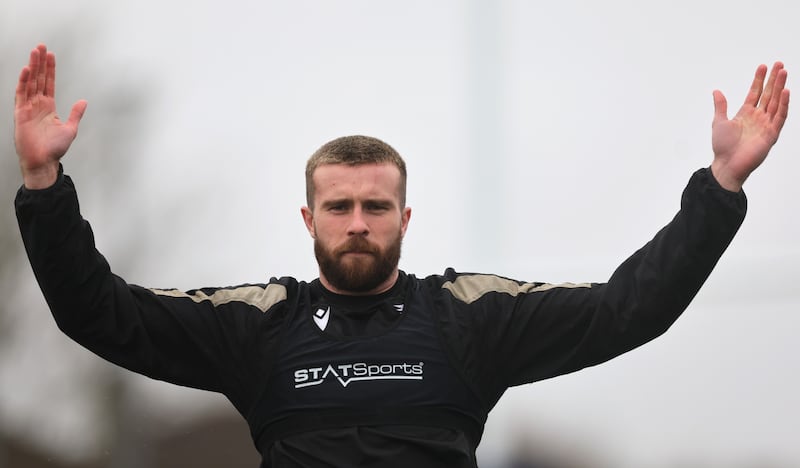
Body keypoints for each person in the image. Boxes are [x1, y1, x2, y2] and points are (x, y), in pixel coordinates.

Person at [13, 43, 790, 468]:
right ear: (309, 217)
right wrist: (44, 184)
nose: (358, 222)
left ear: (405, 217)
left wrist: (721, 185)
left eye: (375, 207)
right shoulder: (255, 326)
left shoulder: (468, 317)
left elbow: (632, 308)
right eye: (340, 207)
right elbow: (97, 313)